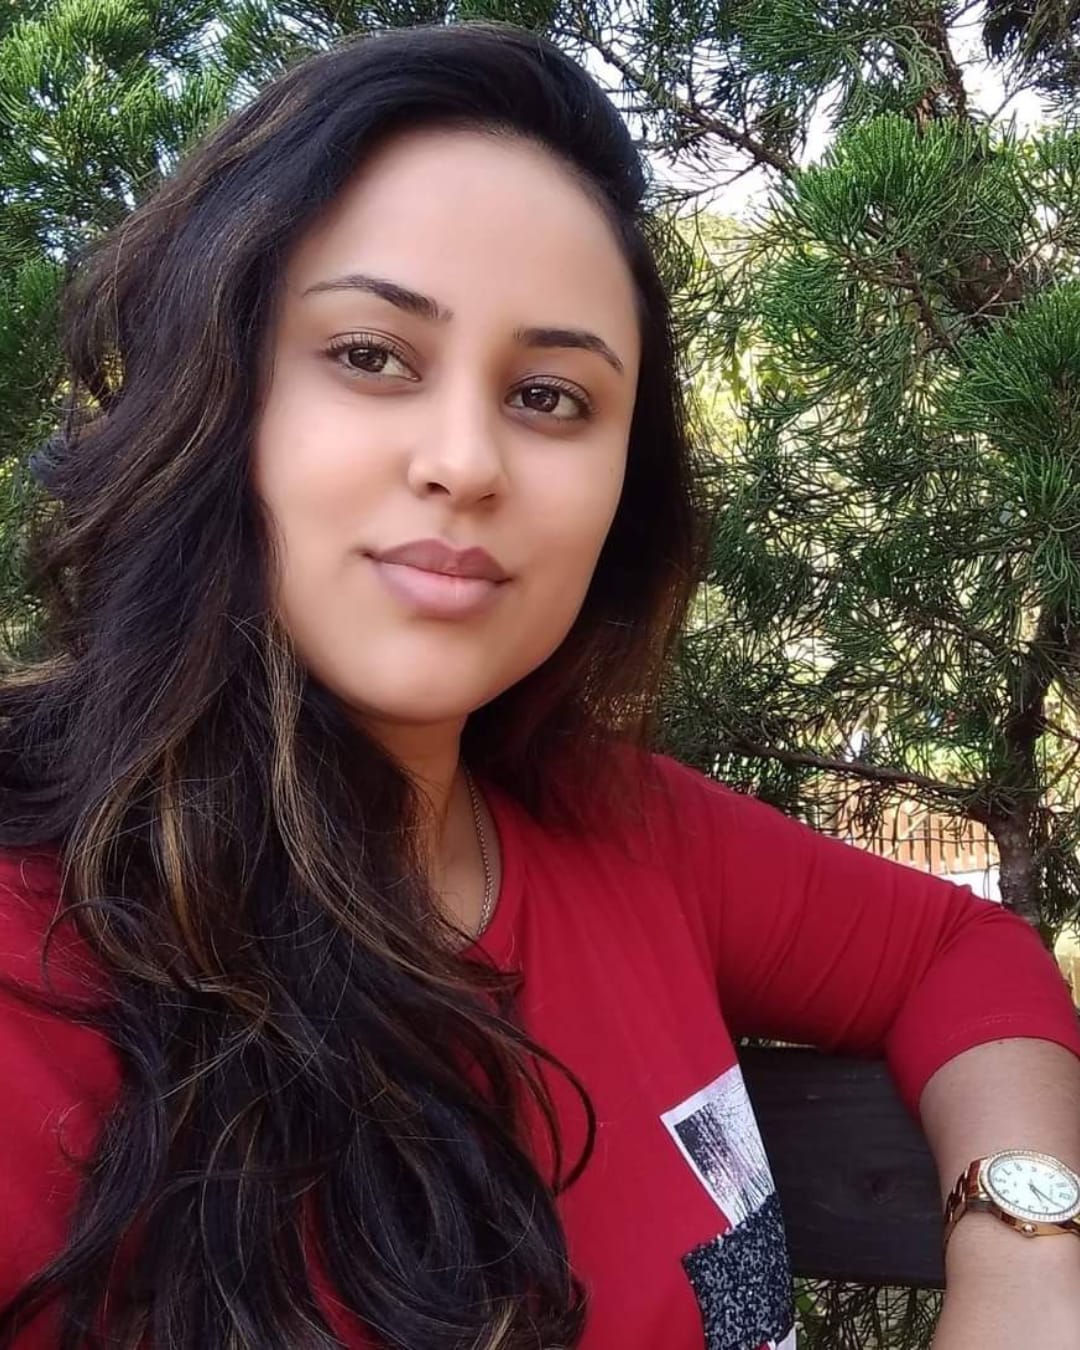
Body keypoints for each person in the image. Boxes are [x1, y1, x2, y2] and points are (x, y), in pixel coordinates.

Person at [0, 19, 1078, 1350]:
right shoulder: (36, 962)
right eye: (370, 354)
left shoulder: (624, 830)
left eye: (552, 396)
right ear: (215, 390)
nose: (466, 461)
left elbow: (960, 952)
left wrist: (1027, 1257)